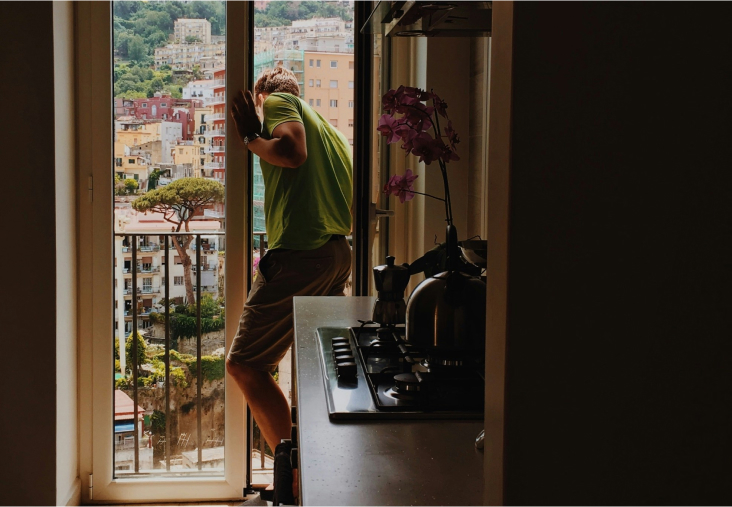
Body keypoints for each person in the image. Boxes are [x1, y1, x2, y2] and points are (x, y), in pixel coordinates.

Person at [226, 67, 352, 458]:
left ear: (261, 97)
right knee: (321, 366)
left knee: (245, 365)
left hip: (300, 253)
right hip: (335, 254)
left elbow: (292, 153)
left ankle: (292, 479)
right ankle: (319, 468)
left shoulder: (278, 101)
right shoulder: (332, 133)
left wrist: (251, 136)